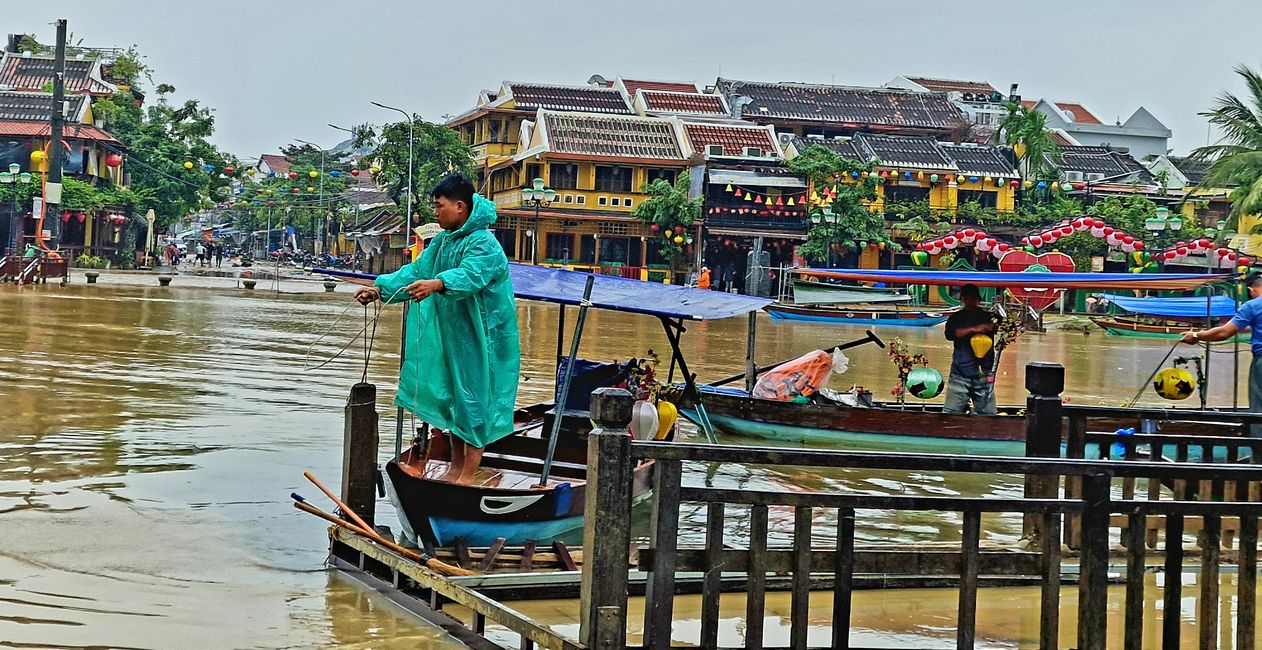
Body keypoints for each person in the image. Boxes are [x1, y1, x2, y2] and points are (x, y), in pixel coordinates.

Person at [354, 174, 520, 484]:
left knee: (473, 402)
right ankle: (456, 469)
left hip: (482, 339)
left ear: (459, 206)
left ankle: (467, 475)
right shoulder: (444, 241)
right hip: (453, 336)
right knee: (455, 401)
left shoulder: (485, 244)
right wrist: (379, 289)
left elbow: (471, 275)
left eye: (439, 206)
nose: (435, 211)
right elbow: (418, 271)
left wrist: (439, 283)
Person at [1182, 273, 1262, 434]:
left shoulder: (1253, 305)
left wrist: (1197, 335)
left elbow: (1224, 332)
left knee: (1259, 408)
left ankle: (1259, 451)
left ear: (1251, 290)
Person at [943, 283, 997, 415]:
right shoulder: (956, 318)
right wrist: (974, 329)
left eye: (973, 298)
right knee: (950, 413)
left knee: (989, 414)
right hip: (960, 372)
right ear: (962, 299)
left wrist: (994, 327)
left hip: (985, 372)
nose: (970, 301)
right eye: (966, 298)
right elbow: (950, 334)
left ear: (979, 300)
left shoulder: (989, 317)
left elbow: (1006, 326)